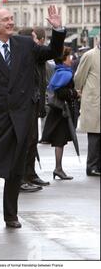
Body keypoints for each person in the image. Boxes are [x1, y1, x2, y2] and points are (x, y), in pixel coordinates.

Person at [0, 6, 66, 229]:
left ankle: (11, 216)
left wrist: (57, 29)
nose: (11, 22)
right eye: (6, 19)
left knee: (15, 169)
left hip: (21, 118)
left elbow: (53, 52)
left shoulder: (26, 44)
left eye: (12, 18)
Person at [17, 27, 50, 192]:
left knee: (33, 141)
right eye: (33, 38)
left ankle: (30, 173)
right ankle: (21, 177)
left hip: (35, 102)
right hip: (25, 105)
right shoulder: (25, 57)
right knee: (26, 142)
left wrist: (42, 104)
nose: (36, 42)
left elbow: (41, 84)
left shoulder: (38, 58)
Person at [41, 47, 80, 180]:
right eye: (69, 57)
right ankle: (58, 168)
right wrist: (75, 93)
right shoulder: (65, 74)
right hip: (62, 112)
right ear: (64, 59)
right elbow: (61, 92)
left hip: (58, 111)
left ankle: (59, 168)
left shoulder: (60, 71)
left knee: (60, 141)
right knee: (60, 140)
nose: (71, 59)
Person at [74, 41, 100, 177]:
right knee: (95, 134)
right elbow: (79, 77)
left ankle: (98, 165)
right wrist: (79, 90)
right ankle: (92, 166)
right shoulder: (89, 55)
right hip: (94, 100)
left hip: (95, 99)